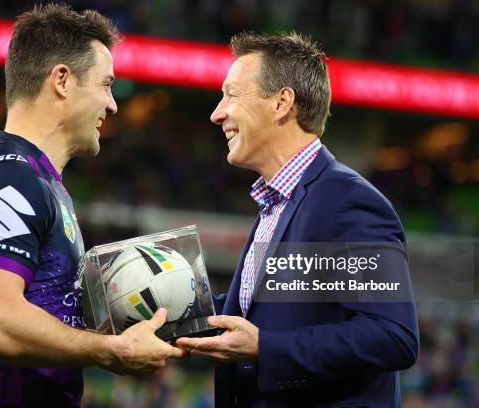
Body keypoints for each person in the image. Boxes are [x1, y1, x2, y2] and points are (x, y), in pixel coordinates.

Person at [0, 4, 183, 407]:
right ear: (62, 80)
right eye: (106, 85)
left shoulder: (28, 176)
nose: (113, 105)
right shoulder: (11, 178)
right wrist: (113, 350)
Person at [176, 32, 419, 407]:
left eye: (232, 94)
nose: (217, 112)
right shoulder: (277, 202)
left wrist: (265, 347)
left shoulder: (348, 202)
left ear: (281, 103)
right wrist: (169, 303)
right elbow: (268, 308)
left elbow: (392, 335)